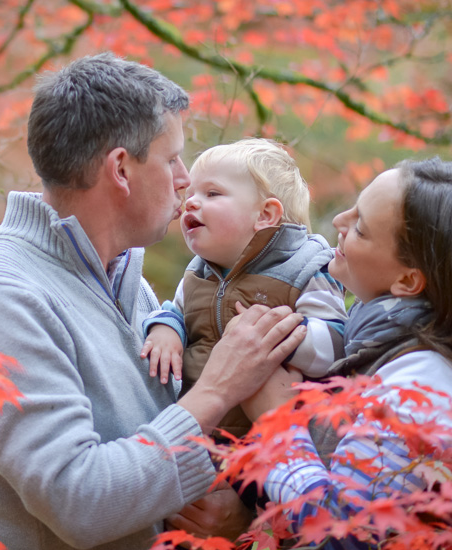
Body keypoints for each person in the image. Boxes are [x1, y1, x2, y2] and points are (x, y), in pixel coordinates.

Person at [0, 52, 308, 550]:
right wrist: (217, 390)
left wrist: (234, 520)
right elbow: (79, 503)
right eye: (173, 158)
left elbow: (162, 464)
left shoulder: (129, 285)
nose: (183, 179)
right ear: (122, 169)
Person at [241, 157, 452, 550]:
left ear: (408, 281)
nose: (339, 222)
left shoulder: (428, 383)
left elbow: (348, 537)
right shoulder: (389, 349)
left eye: (360, 227)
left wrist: (276, 423)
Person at [141, 138, 347, 439]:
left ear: (264, 215)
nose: (191, 202)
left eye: (212, 193)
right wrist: (165, 330)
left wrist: (269, 335)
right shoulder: (198, 273)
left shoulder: (307, 269)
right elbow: (175, 312)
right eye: (192, 193)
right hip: (203, 442)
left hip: (278, 446)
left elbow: (335, 347)